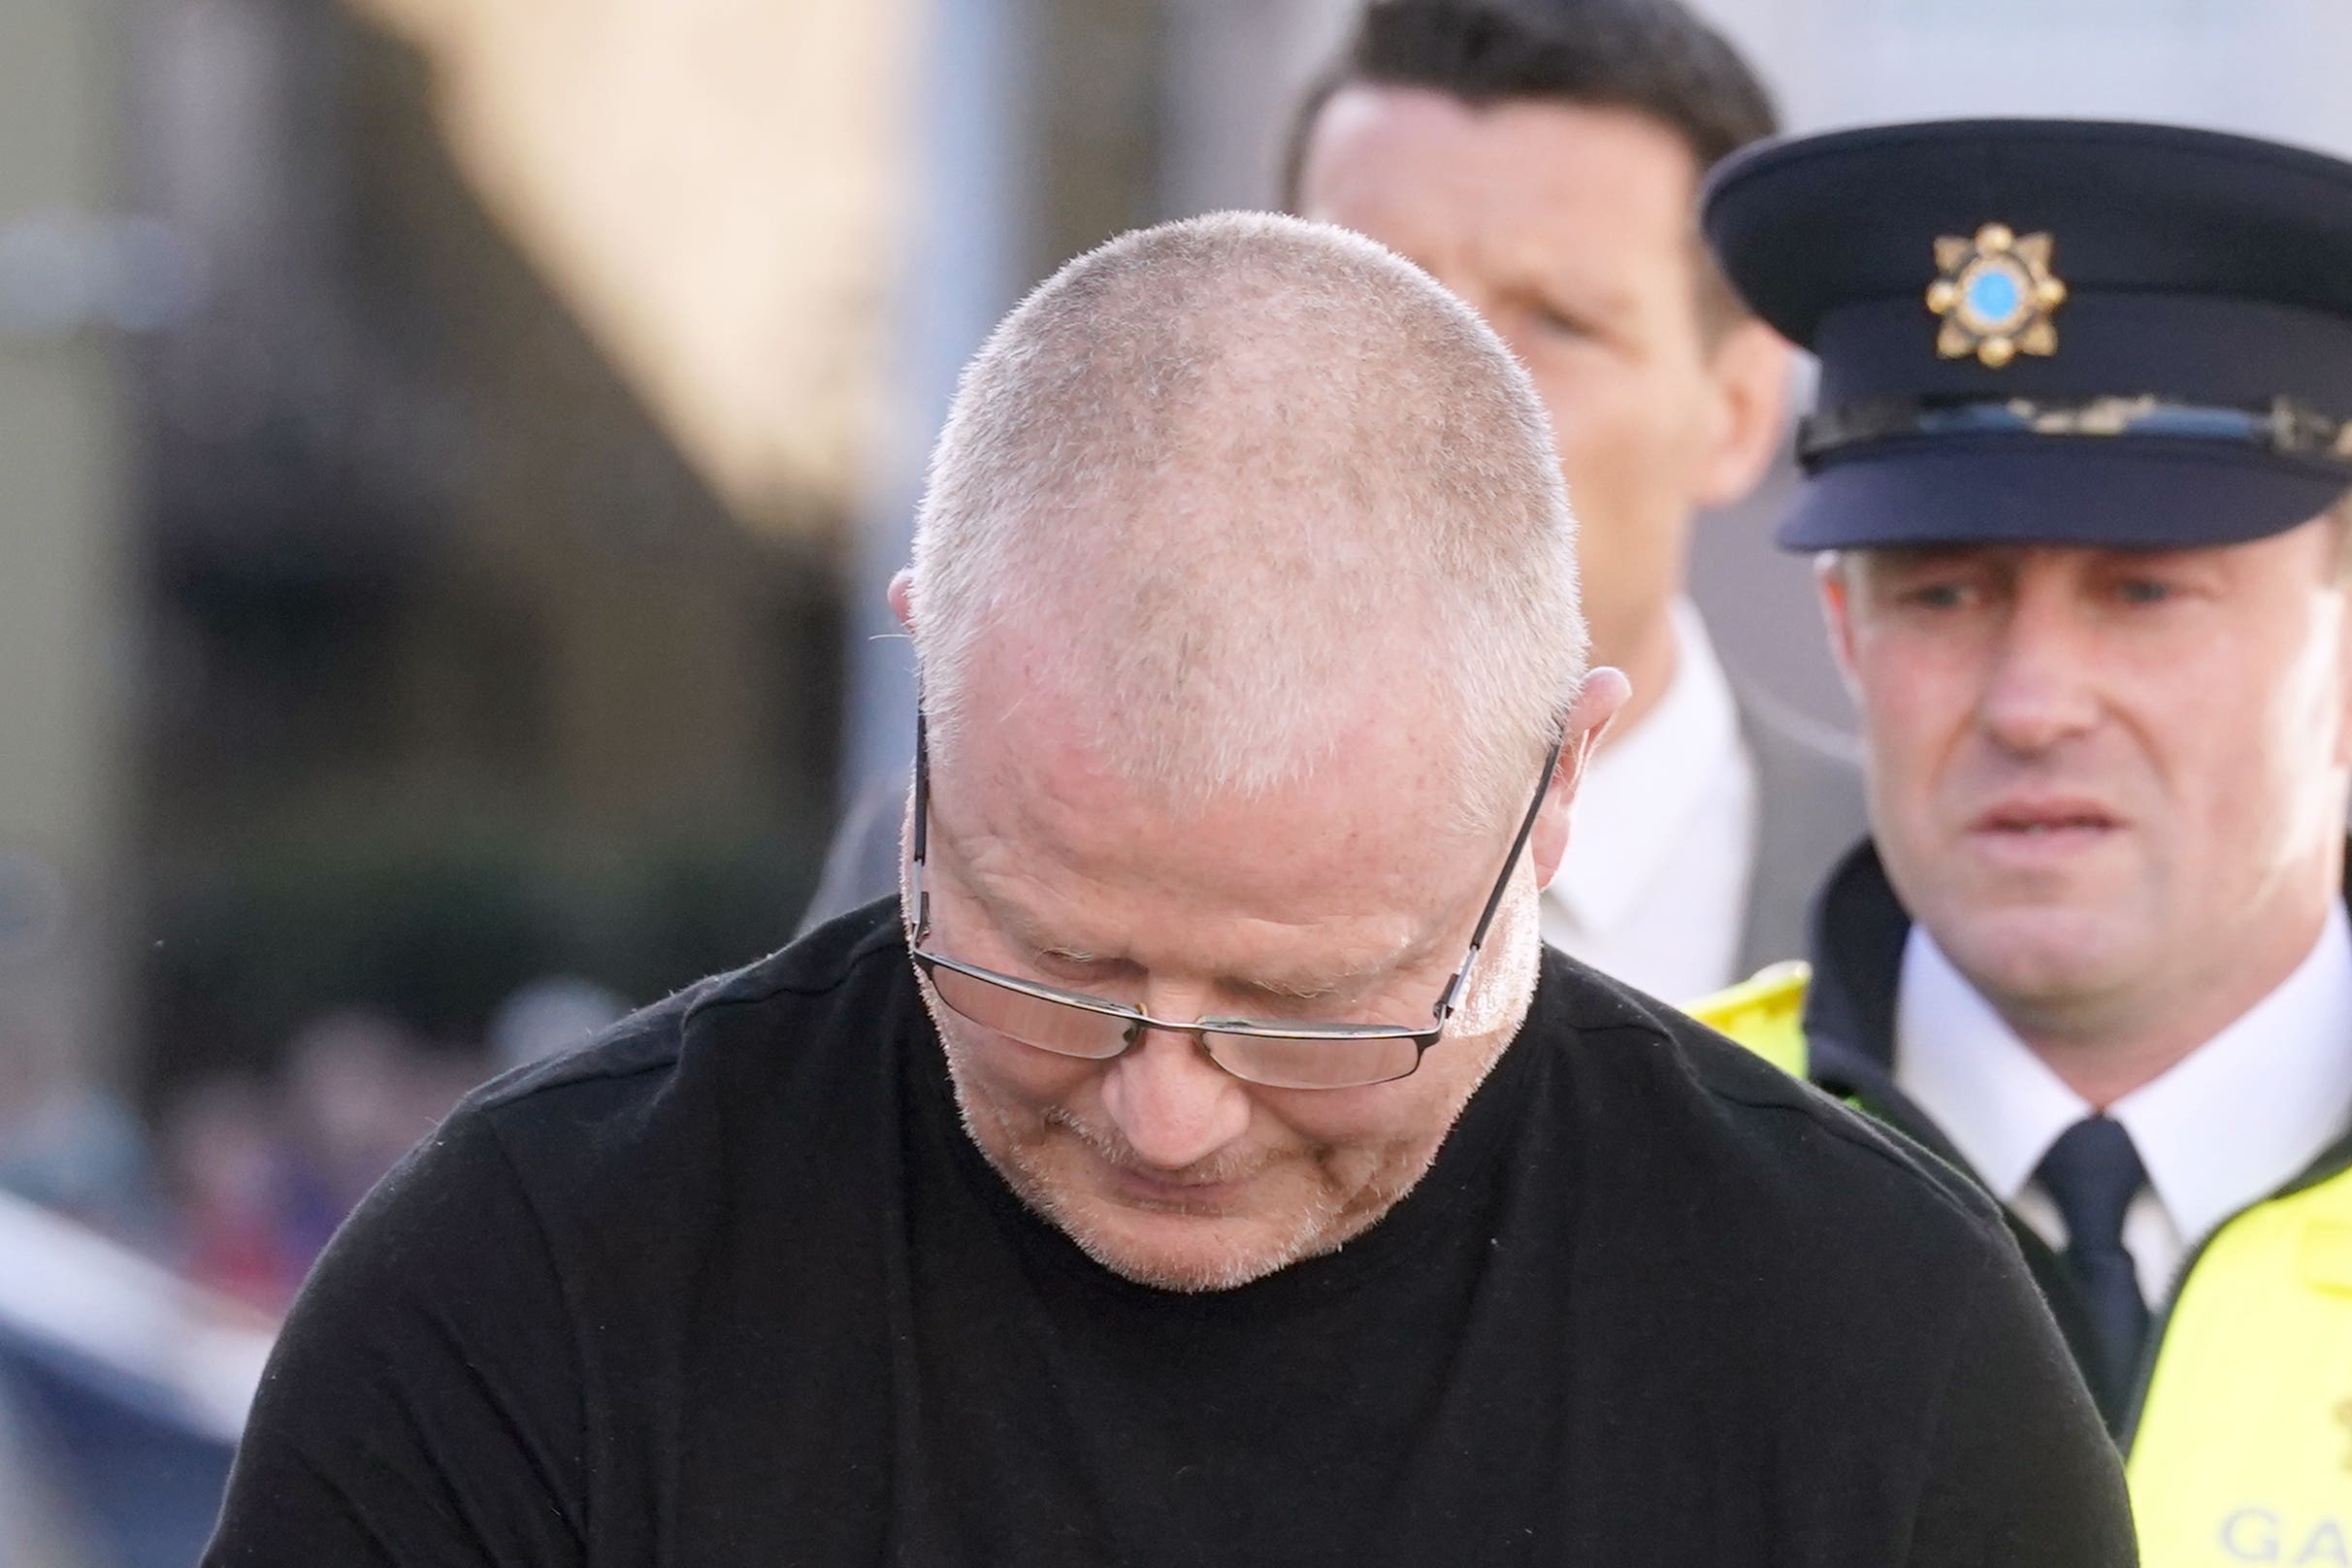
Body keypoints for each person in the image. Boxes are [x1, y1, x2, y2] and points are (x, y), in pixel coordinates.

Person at [204, 213, 2128, 1566]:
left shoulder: (1873, 1362)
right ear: (924, 699)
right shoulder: (538, 1293)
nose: (1167, 1112)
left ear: (1558, 787)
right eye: (1049, 961)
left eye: (1312, 1007)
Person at [801, 0, 1863, 1001]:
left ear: (1739, 409)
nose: (1439, 391)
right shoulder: (959, 853)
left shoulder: (1908, 897)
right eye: (1370, 296)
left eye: (1556, 321)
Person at [1692, 118, 2352, 1562]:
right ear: (1845, 631)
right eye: (1945, 594)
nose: (2034, 703)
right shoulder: (1631, 1173)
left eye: (2144, 592)